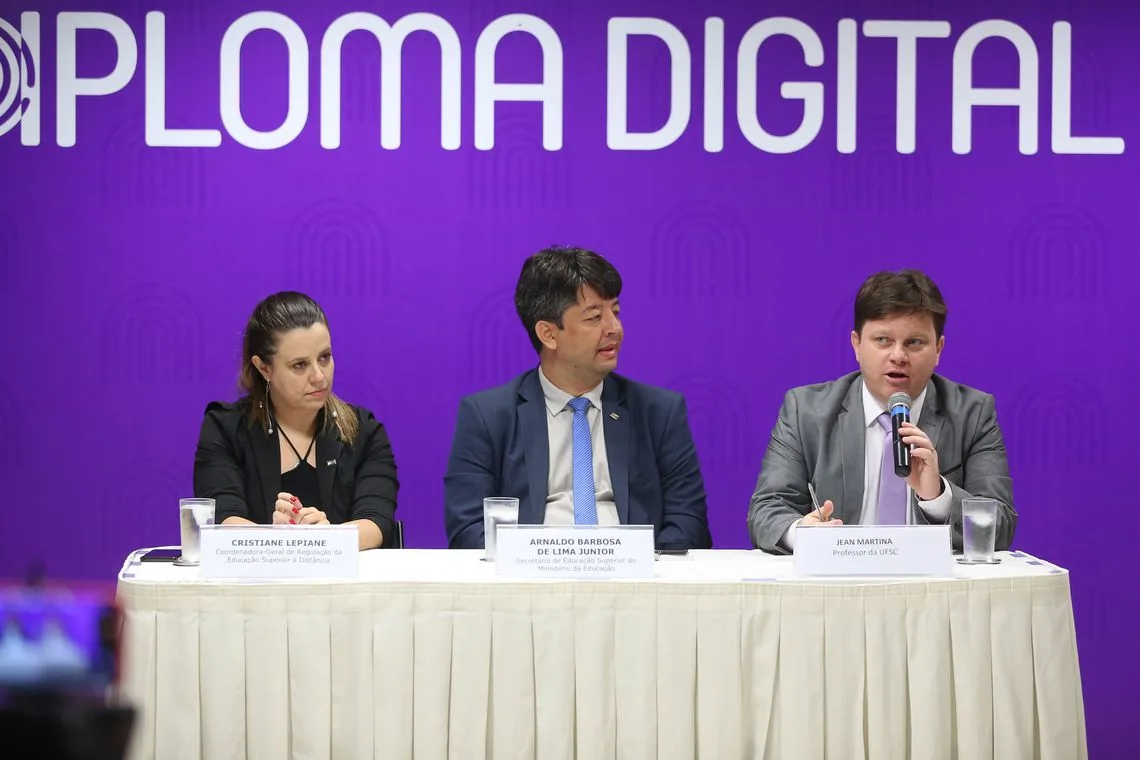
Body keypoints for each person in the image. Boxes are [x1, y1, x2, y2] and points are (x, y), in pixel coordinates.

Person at [444, 246, 712, 550]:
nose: (614, 329)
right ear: (548, 334)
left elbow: (688, 521)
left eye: (616, 312)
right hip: (529, 587)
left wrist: (642, 567)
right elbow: (468, 528)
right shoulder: (488, 416)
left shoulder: (659, 413)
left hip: (633, 584)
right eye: (594, 317)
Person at [747, 269, 1017, 553]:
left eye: (914, 342)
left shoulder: (972, 414)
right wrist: (804, 534)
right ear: (856, 345)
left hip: (932, 590)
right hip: (838, 585)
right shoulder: (806, 411)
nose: (898, 356)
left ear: (938, 349)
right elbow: (766, 511)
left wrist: (938, 496)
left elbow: (1000, 525)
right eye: (882, 340)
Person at [193, 292, 398, 550]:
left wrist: (326, 537)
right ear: (264, 368)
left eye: (325, 357)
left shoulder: (364, 431)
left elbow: (377, 523)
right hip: (256, 587)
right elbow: (222, 520)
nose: (319, 376)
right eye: (300, 365)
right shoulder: (224, 428)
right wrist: (287, 543)